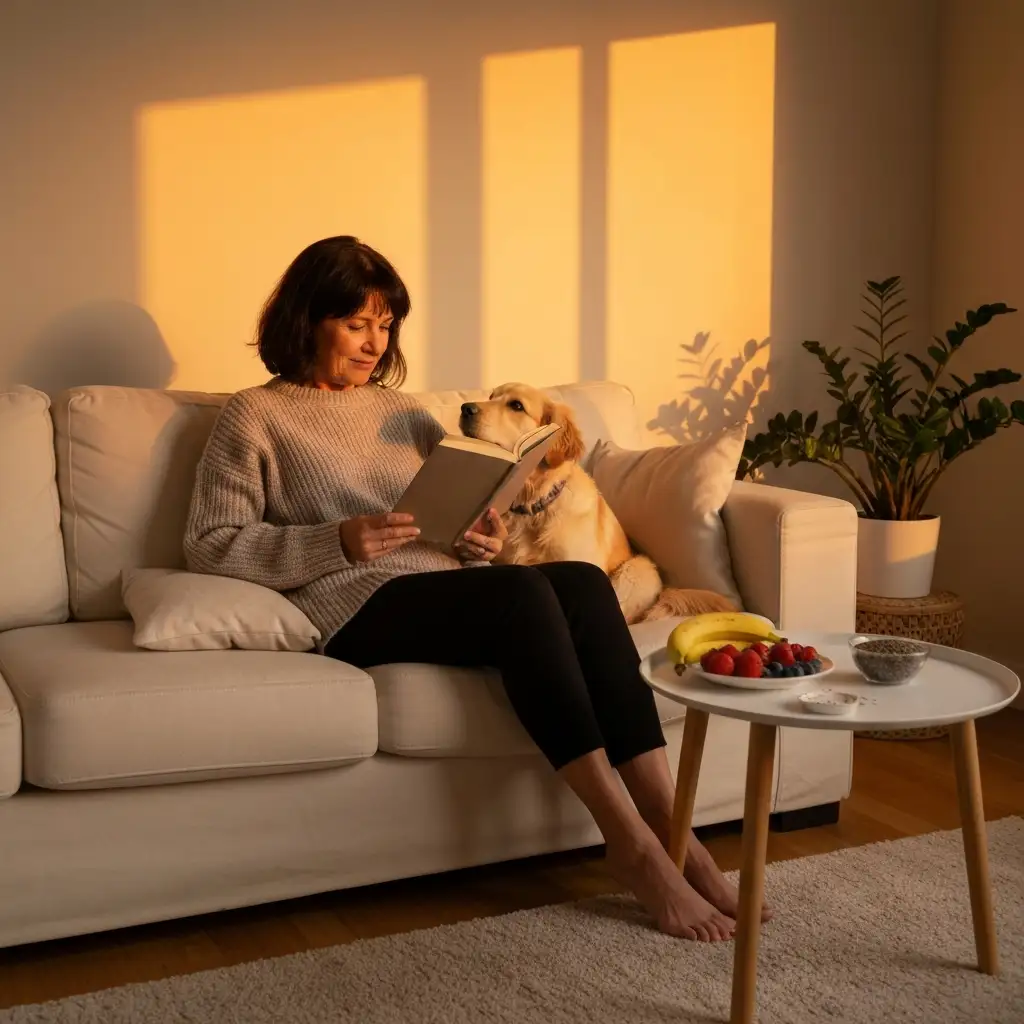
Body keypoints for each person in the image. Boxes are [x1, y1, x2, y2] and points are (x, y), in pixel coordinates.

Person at [184, 235, 768, 942]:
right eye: (357, 324)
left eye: (385, 326)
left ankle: (679, 837)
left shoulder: (402, 413)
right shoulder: (253, 415)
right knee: (521, 596)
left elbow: (450, 513)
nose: (374, 344)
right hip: (354, 604)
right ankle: (631, 847)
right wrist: (335, 540)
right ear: (308, 318)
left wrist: (479, 538)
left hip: (444, 583)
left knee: (583, 583)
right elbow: (210, 542)